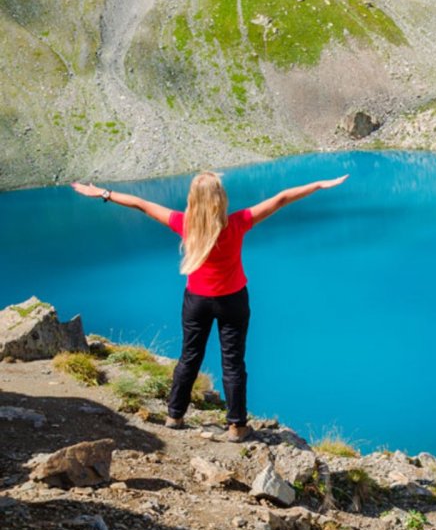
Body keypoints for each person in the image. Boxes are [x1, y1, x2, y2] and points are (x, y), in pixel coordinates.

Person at [71, 171, 347, 441]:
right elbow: (282, 198)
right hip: (233, 301)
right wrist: (319, 184)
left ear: (193, 199)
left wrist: (103, 193)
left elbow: (142, 204)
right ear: (220, 199)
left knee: (190, 356)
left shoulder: (183, 222)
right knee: (233, 362)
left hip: (197, 302)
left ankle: (175, 416)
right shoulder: (237, 222)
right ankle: (237, 426)